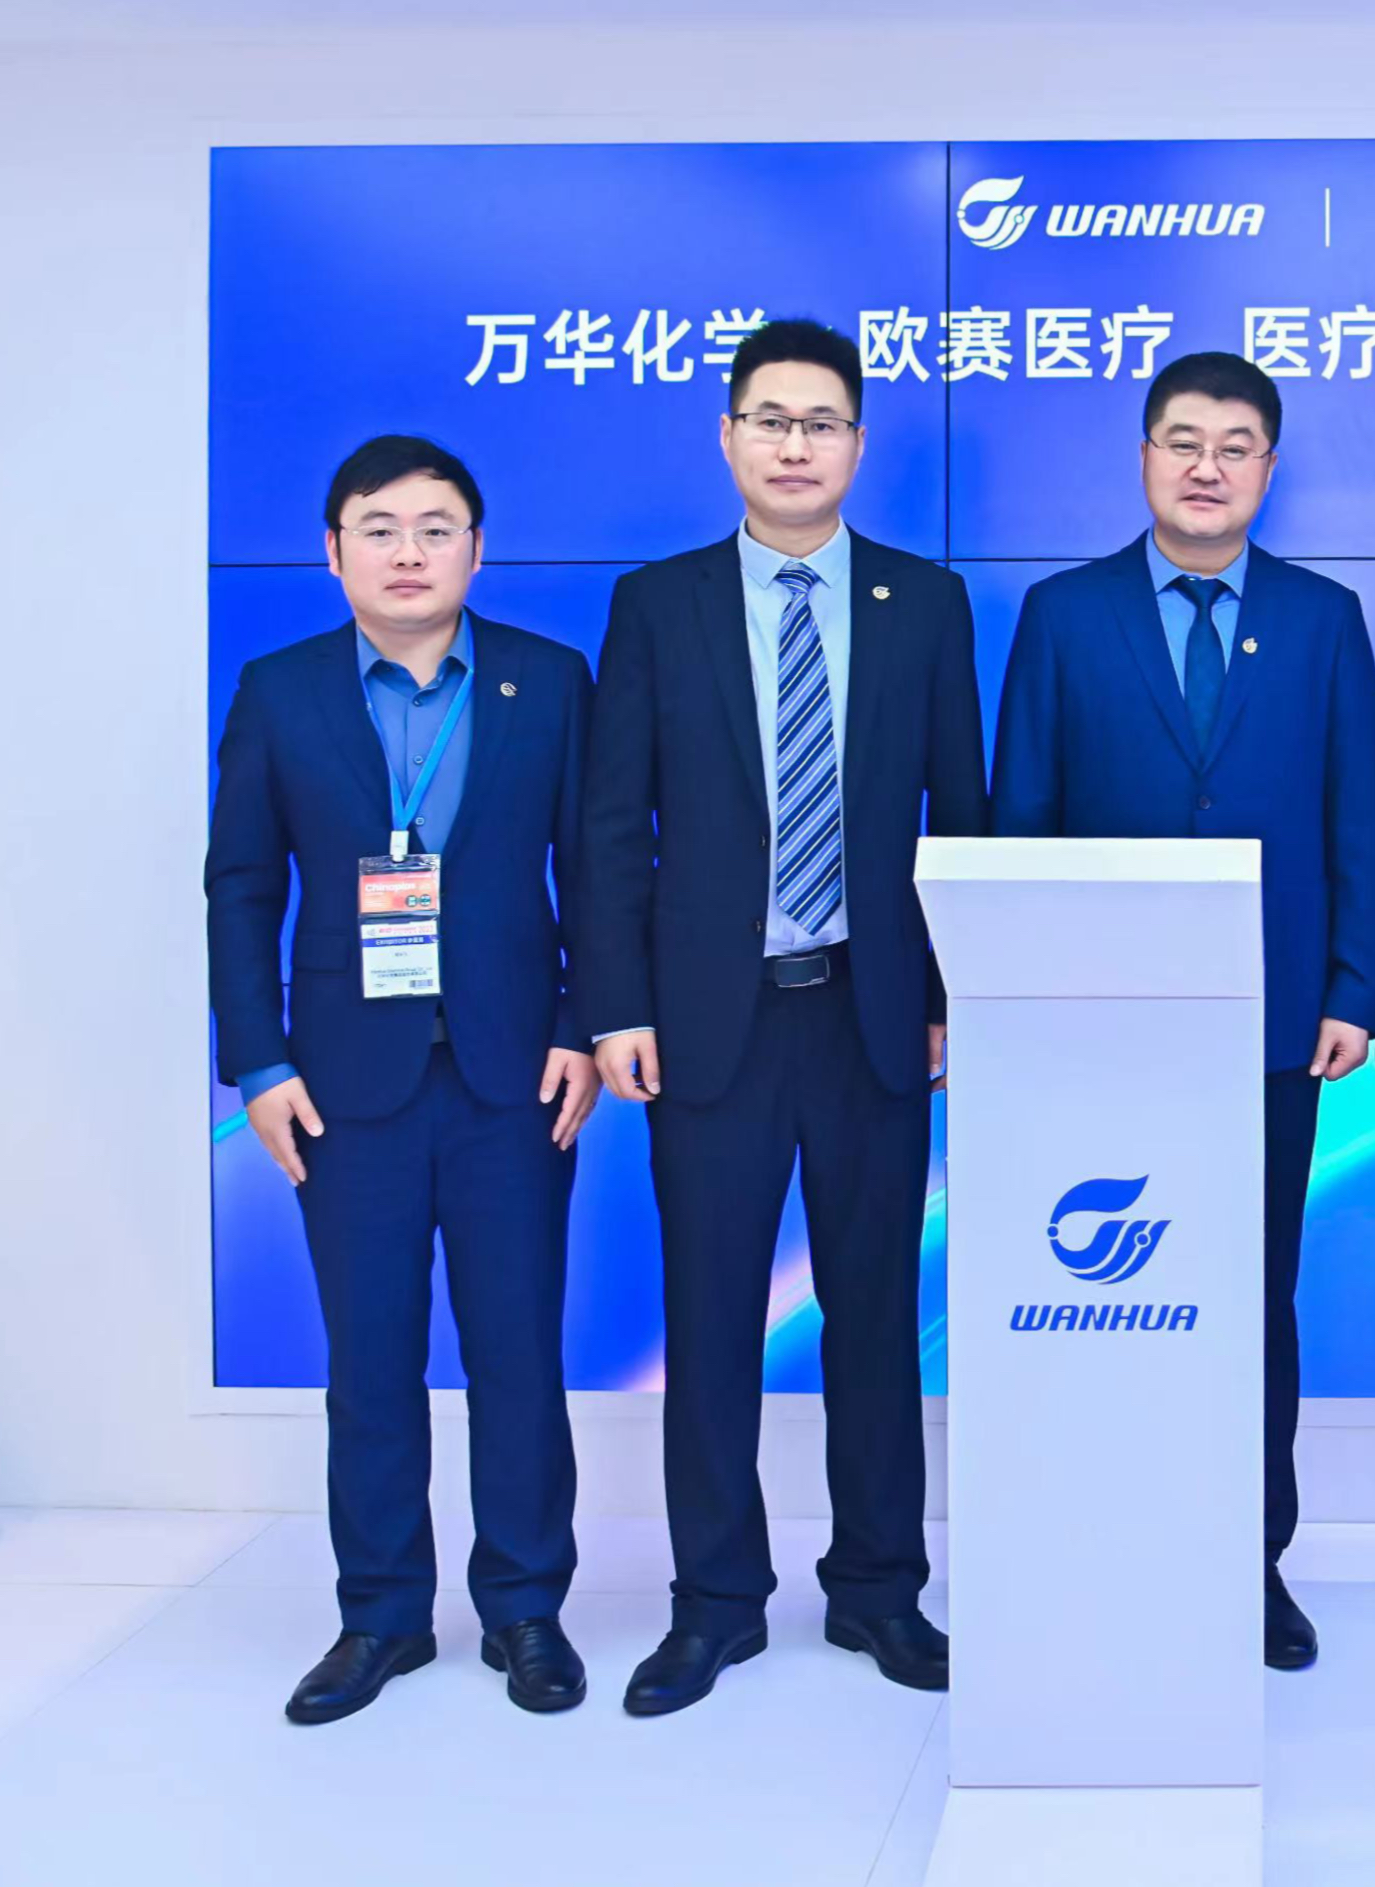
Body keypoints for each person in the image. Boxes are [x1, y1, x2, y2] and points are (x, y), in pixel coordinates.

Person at [580, 318, 988, 1716]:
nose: (795, 444)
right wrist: (615, 1005)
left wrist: (946, 999)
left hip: (870, 1015)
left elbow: (960, 814)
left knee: (874, 1315)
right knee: (710, 1322)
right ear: (727, 436)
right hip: (711, 1020)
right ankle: (714, 1603)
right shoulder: (659, 603)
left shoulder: (924, 603)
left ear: (858, 444)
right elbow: (610, 821)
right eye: (770, 419)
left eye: (821, 422)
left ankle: (878, 1588)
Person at [992, 351, 1375, 1672]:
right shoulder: (1064, 613)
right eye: (1181, 441)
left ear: (1268, 468)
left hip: (1273, 1027)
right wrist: (1030, 997)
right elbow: (1021, 820)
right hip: (1101, 1029)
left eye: (1233, 446)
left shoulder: (1322, 618)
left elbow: (1358, 814)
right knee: (1113, 1295)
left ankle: (1249, 1559)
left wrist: (1350, 986)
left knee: (1252, 1297)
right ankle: (1112, 1541)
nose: (1205, 466)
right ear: (1142, 457)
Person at [207, 436, 597, 1724]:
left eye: (437, 528)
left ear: (477, 549)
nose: (409, 552)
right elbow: (241, 885)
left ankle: (525, 1608)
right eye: (379, 528)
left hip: (514, 1077)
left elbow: (599, 866)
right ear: (334, 553)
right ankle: (379, 1616)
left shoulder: (548, 680)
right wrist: (258, 1062)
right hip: (339, 1085)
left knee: (517, 1353)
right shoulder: (279, 691)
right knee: (369, 1362)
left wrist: (583, 1024)